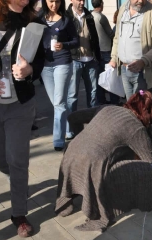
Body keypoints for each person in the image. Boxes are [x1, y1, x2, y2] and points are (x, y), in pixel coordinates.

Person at [55, 90, 152, 232]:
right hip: (91, 168)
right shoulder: (136, 128)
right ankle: (104, 200)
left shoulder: (107, 107)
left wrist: (80, 139)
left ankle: (67, 197)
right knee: (148, 169)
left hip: (69, 157)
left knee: (118, 153)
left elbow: (73, 117)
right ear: (147, 113)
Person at [0, 0, 45, 237]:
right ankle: (11, 173)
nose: (26, 1)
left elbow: (40, 59)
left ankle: (19, 214)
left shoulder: (33, 22)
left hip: (20, 104)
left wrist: (29, 71)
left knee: (18, 160)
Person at [40, 0, 79, 151]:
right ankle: (69, 128)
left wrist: (64, 45)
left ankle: (58, 140)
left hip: (63, 62)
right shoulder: (39, 19)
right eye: (51, 1)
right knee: (58, 102)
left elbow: (76, 41)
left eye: (57, 1)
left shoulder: (66, 19)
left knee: (59, 103)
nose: (54, 5)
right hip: (46, 66)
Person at [109, 0, 152, 100]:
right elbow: (117, 37)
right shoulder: (123, 9)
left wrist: (143, 61)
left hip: (143, 73)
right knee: (131, 109)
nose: (140, 1)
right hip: (124, 69)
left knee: (142, 110)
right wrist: (114, 58)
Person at [65, 0, 101, 140]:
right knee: (72, 96)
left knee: (93, 95)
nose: (81, 2)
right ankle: (70, 129)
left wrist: (97, 57)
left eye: (83, 0)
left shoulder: (89, 15)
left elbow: (95, 38)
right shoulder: (67, 16)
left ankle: (93, 127)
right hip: (74, 61)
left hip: (90, 60)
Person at [92, 0, 120, 105]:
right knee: (111, 78)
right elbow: (110, 33)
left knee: (99, 78)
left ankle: (101, 101)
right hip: (106, 50)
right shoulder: (101, 17)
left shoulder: (89, 16)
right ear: (101, 5)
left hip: (96, 51)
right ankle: (114, 101)